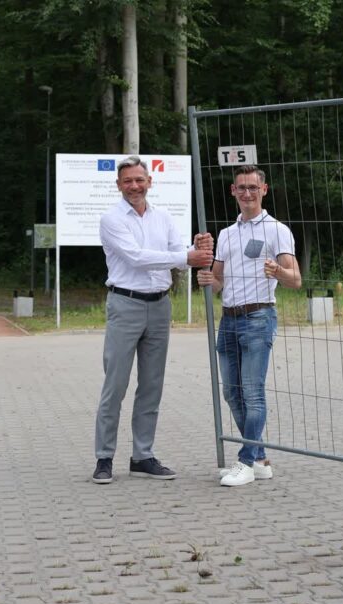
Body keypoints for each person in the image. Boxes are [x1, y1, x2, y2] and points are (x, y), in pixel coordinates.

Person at [92, 155, 214, 484]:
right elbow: (137, 257)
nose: (134, 186)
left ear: (149, 182)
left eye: (139, 180)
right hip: (125, 304)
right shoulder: (111, 219)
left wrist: (198, 251)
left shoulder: (163, 218)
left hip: (160, 307)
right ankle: (104, 458)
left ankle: (142, 456)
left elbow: (179, 255)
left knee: (151, 386)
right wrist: (187, 256)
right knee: (115, 384)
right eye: (128, 181)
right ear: (118, 185)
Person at [197, 165, 302, 486]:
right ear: (233, 191)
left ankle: (244, 462)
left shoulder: (277, 230)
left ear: (264, 190)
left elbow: (295, 279)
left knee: (253, 393)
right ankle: (258, 459)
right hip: (228, 319)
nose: (247, 193)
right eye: (241, 188)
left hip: (258, 317)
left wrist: (278, 272)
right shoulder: (227, 234)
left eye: (253, 188)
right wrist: (206, 279)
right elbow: (216, 280)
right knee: (231, 393)